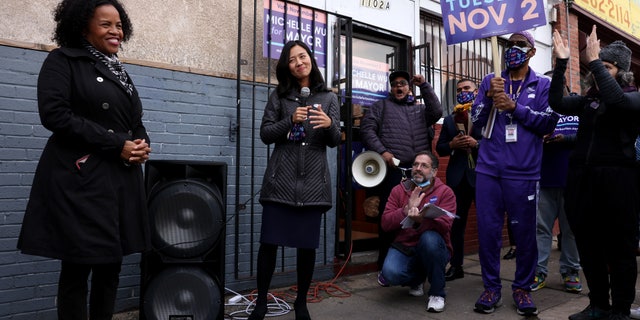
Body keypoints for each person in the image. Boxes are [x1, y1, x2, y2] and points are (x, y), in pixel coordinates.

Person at [16, 1, 151, 319]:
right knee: (78, 269)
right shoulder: (63, 60)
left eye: (119, 25)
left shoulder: (117, 68)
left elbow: (133, 119)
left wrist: (140, 144)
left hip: (118, 180)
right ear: (82, 27)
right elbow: (55, 114)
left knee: (110, 267)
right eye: (106, 24)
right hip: (81, 180)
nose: (115, 31)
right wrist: (118, 143)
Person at [550, 26, 640, 320]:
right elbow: (558, 103)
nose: (600, 71)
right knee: (589, 247)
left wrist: (595, 60)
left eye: (609, 67)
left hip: (617, 181)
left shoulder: (632, 98)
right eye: (600, 66)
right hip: (582, 181)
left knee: (620, 249)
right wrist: (562, 62)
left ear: (622, 73)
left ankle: (621, 309)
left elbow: (617, 101)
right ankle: (599, 304)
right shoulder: (590, 99)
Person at [250, 40, 341, 320]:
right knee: (268, 245)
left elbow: (335, 141)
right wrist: (290, 120)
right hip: (281, 181)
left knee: (306, 248)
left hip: (312, 183)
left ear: (311, 59)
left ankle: (301, 303)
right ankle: (261, 302)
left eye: (303, 56)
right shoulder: (279, 97)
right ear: (286, 67)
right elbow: (265, 134)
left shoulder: (329, 98)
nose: (299, 62)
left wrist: (329, 126)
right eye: (292, 59)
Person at [470, 30, 559, 316]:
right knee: (488, 233)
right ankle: (491, 288)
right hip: (489, 171)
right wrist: (486, 97)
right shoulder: (490, 80)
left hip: (524, 173)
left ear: (532, 52)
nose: (513, 49)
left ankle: (522, 288)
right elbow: (474, 121)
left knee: (525, 235)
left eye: (520, 45)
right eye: (510, 44)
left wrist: (514, 107)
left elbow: (548, 123)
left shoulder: (542, 85)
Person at [360, 70, 442, 285]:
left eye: (403, 84)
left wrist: (425, 86)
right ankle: (385, 267)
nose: (399, 87)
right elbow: (367, 130)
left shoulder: (420, 109)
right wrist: (383, 151)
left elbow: (437, 111)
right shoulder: (380, 107)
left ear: (409, 87)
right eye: (395, 84)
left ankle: (416, 265)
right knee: (391, 218)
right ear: (391, 87)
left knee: (420, 216)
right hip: (394, 172)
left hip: (419, 173)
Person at [379, 150, 455, 313]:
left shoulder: (445, 192)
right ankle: (418, 278)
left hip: (434, 247)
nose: (418, 168)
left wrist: (421, 220)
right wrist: (405, 211)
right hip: (405, 247)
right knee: (390, 273)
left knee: (429, 239)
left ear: (434, 171)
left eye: (424, 165)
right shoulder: (398, 190)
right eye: (415, 164)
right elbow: (385, 223)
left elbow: (446, 226)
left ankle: (437, 293)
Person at [530, 71, 582, 294]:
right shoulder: (540, 111)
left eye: (558, 84)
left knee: (570, 230)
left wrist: (566, 139)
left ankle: (570, 271)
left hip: (573, 180)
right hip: (545, 177)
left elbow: (590, 137)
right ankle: (539, 272)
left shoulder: (579, 107)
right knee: (541, 228)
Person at [435, 78, 481, 281]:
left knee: (487, 222)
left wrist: (476, 144)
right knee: (455, 225)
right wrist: (453, 144)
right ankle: (456, 265)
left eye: (467, 88)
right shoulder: (449, 119)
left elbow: (495, 143)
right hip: (457, 177)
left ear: (476, 91)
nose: (463, 92)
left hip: (481, 176)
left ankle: (489, 268)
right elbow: (440, 148)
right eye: (460, 89)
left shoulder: (485, 115)